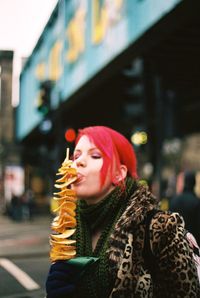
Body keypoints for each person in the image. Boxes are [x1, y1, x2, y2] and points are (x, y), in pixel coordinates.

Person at [46, 126, 200, 298]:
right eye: (76, 156)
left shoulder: (160, 228)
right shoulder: (66, 233)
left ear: (119, 174)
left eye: (95, 155)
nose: (78, 162)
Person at [170, 170, 200, 246]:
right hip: (193, 245)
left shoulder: (174, 201)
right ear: (194, 183)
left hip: (177, 245)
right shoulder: (197, 202)